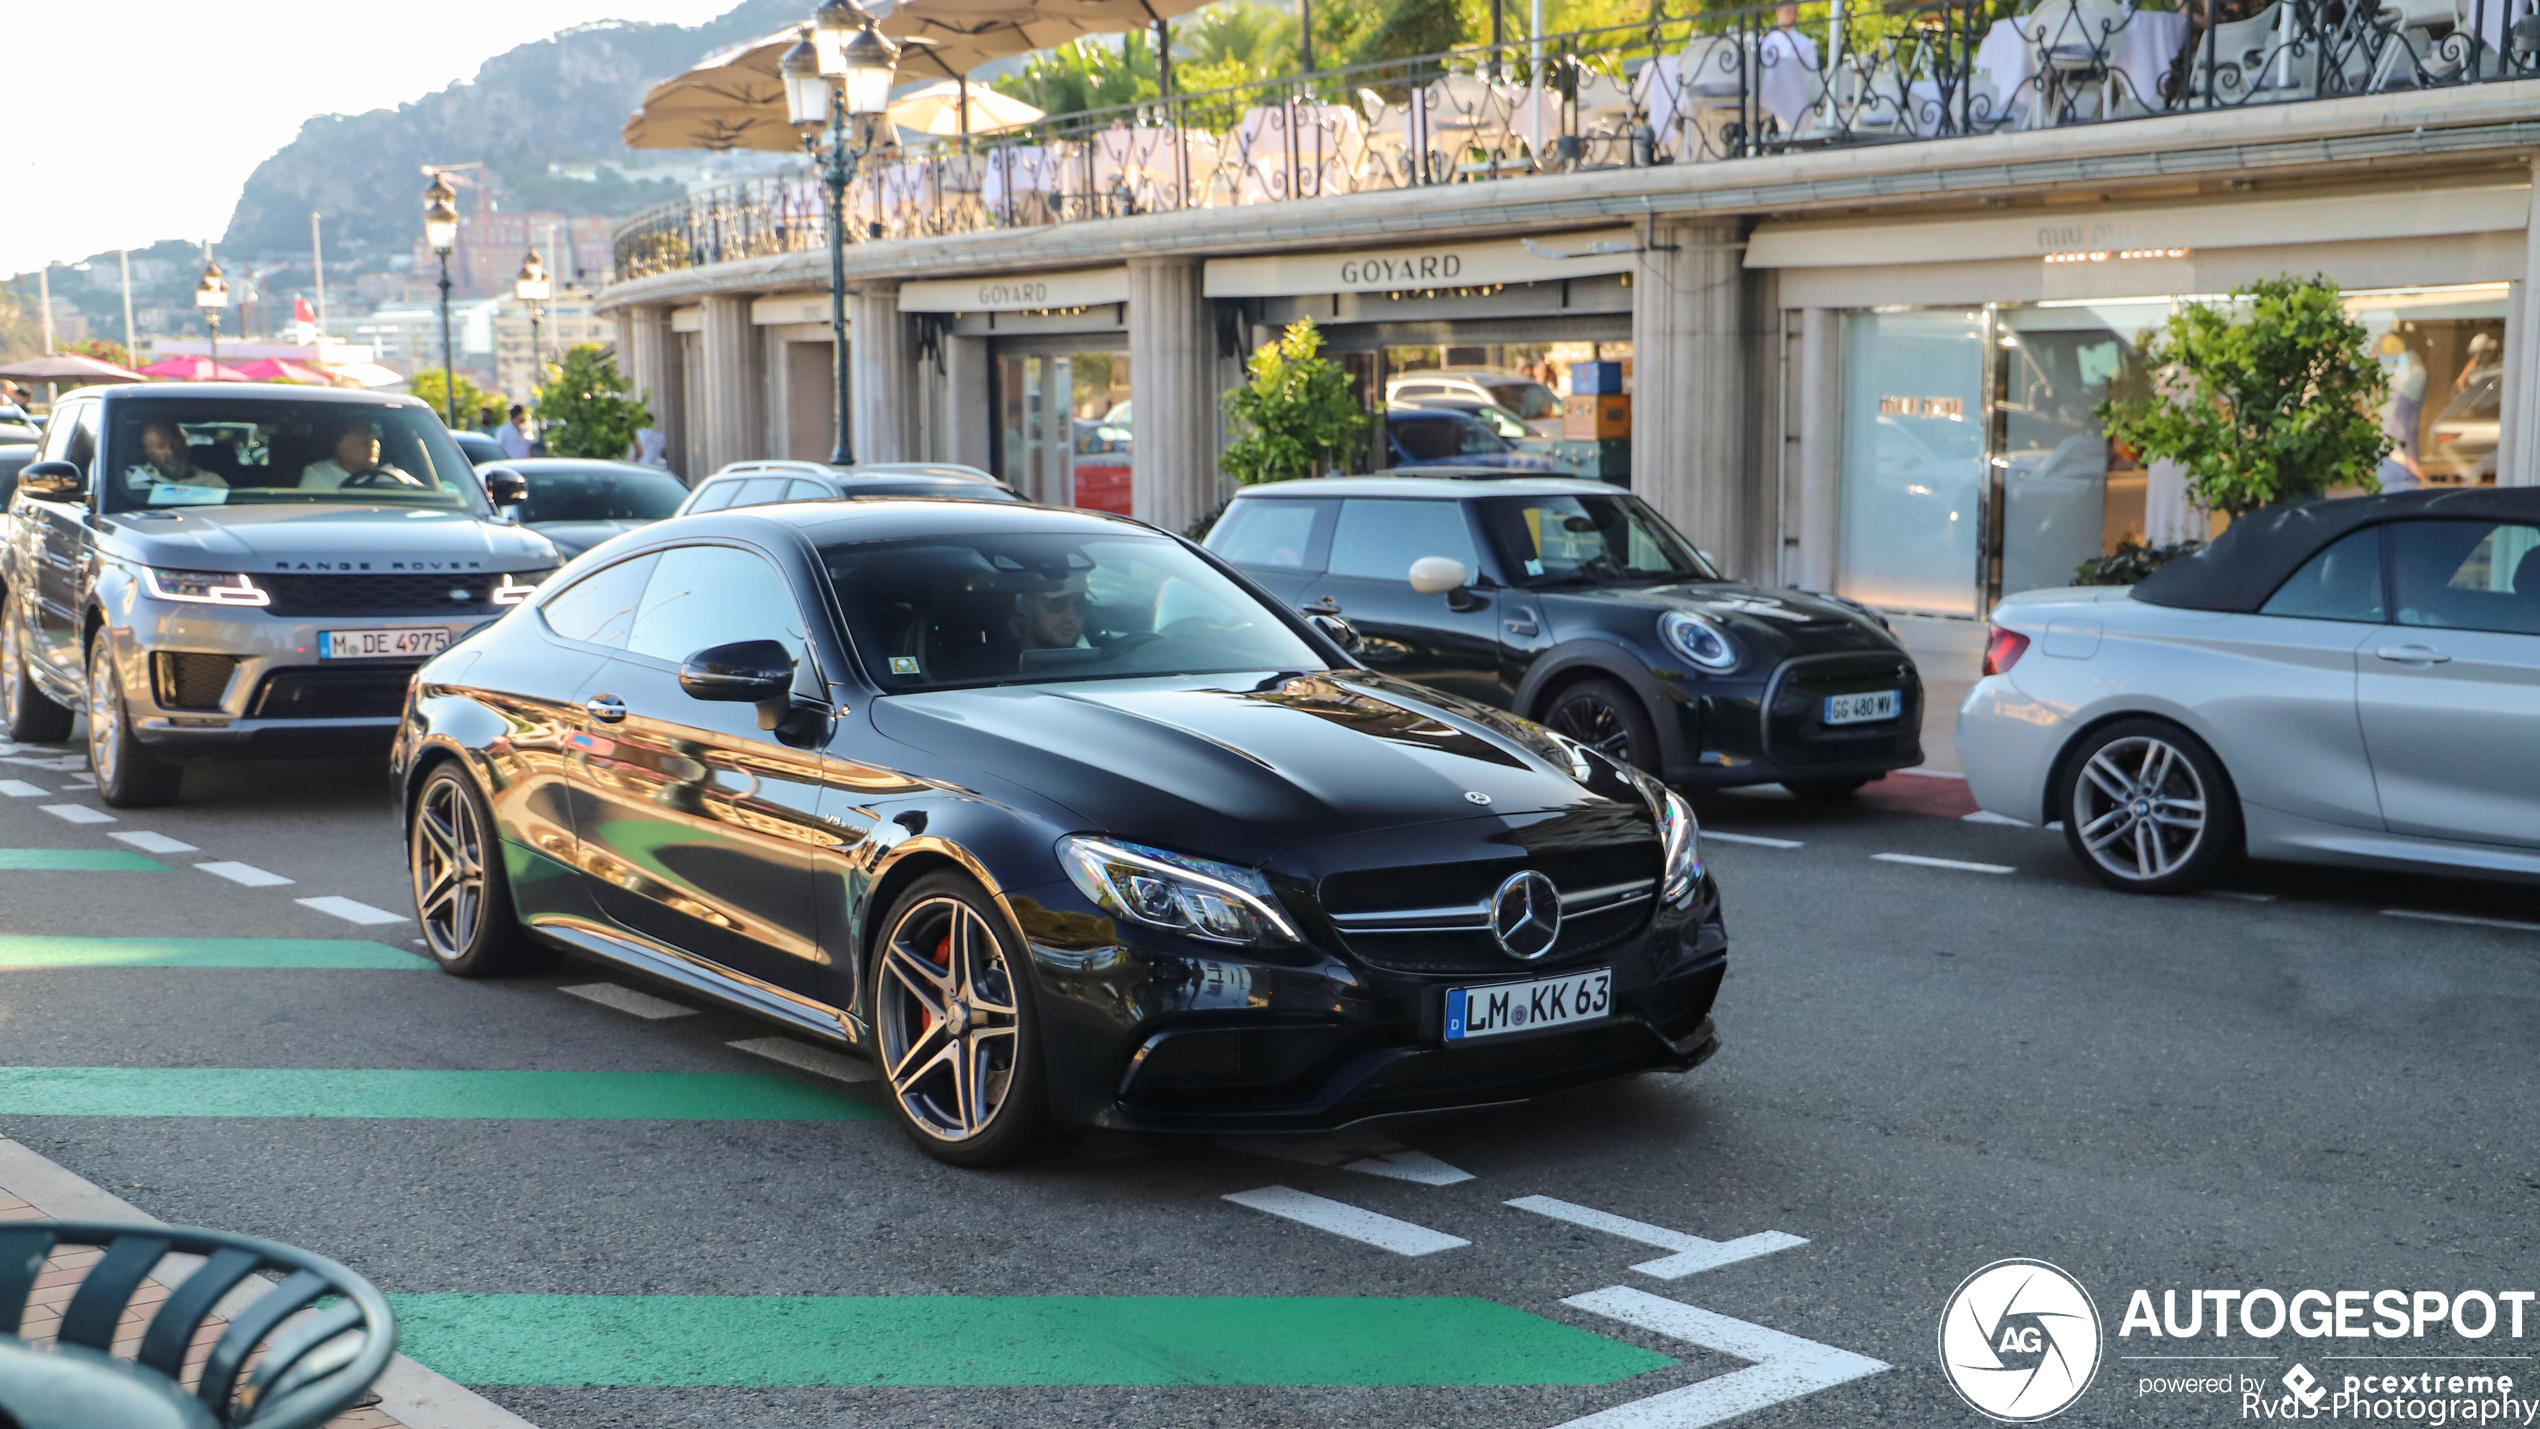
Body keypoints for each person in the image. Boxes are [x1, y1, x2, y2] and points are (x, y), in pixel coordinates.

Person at [300, 420, 423, 490]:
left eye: (373, 433)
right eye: (361, 433)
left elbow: (425, 496)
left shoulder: (395, 475)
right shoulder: (318, 475)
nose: (372, 439)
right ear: (339, 444)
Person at [120, 421, 227, 495]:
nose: (171, 452)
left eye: (174, 444)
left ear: (184, 445)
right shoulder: (128, 479)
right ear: (149, 452)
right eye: (160, 446)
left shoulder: (212, 481)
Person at [1015, 582, 1088, 653]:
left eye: (1080, 605)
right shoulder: (1004, 662)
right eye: (1057, 603)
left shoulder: (1092, 662)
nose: (1071, 616)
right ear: (1026, 605)